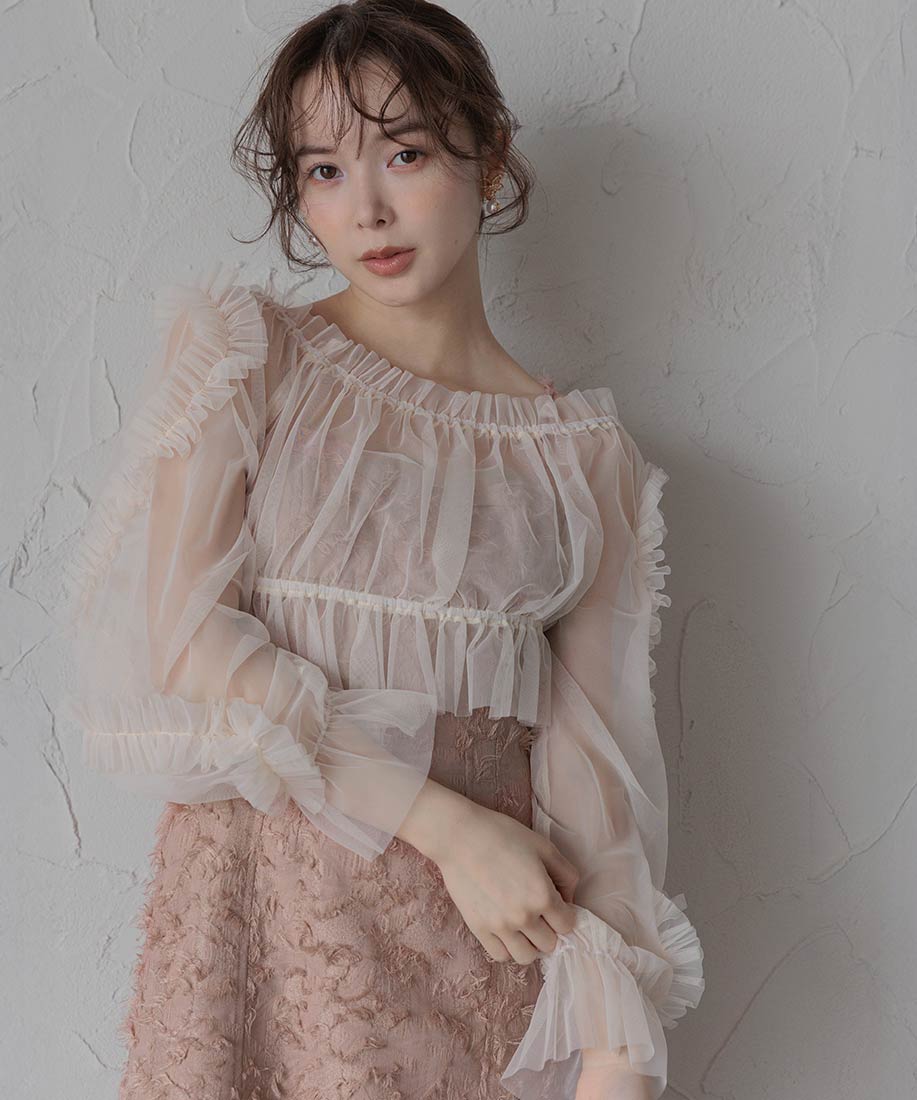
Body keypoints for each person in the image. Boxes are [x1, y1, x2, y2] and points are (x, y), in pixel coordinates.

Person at [58, 2, 705, 1097]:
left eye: (403, 153)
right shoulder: (251, 360)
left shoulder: (579, 459)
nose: (365, 209)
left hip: (470, 965)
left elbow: (598, 779)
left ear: (488, 155)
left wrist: (614, 1052)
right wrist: (444, 824)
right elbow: (189, 645)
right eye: (322, 171)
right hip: (260, 929)